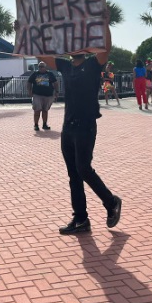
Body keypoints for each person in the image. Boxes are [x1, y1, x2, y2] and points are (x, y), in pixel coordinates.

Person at [38, 29, 122, 235]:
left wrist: (106, 23)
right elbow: (42, 56)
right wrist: (26, 33)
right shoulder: (65, 66)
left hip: (86, 125)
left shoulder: (93, 64)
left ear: (86, 48)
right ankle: (81, 218)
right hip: (68, 126)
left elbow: (106, 49)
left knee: (83, 168)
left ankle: (111, 202)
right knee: (73, 174)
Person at [27, 61, 58, 131]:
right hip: (37, 95)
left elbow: (55, 83)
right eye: (39, 67)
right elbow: (29, 82)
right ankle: (36, 125)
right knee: (37, 110)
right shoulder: (35, 74)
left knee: (45, 110)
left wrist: (56, 92)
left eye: (42, 66)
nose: (40, 68)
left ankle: (44, 124)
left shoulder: (50, 74)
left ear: (45, 67)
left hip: (48, 95)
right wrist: (29, 91)